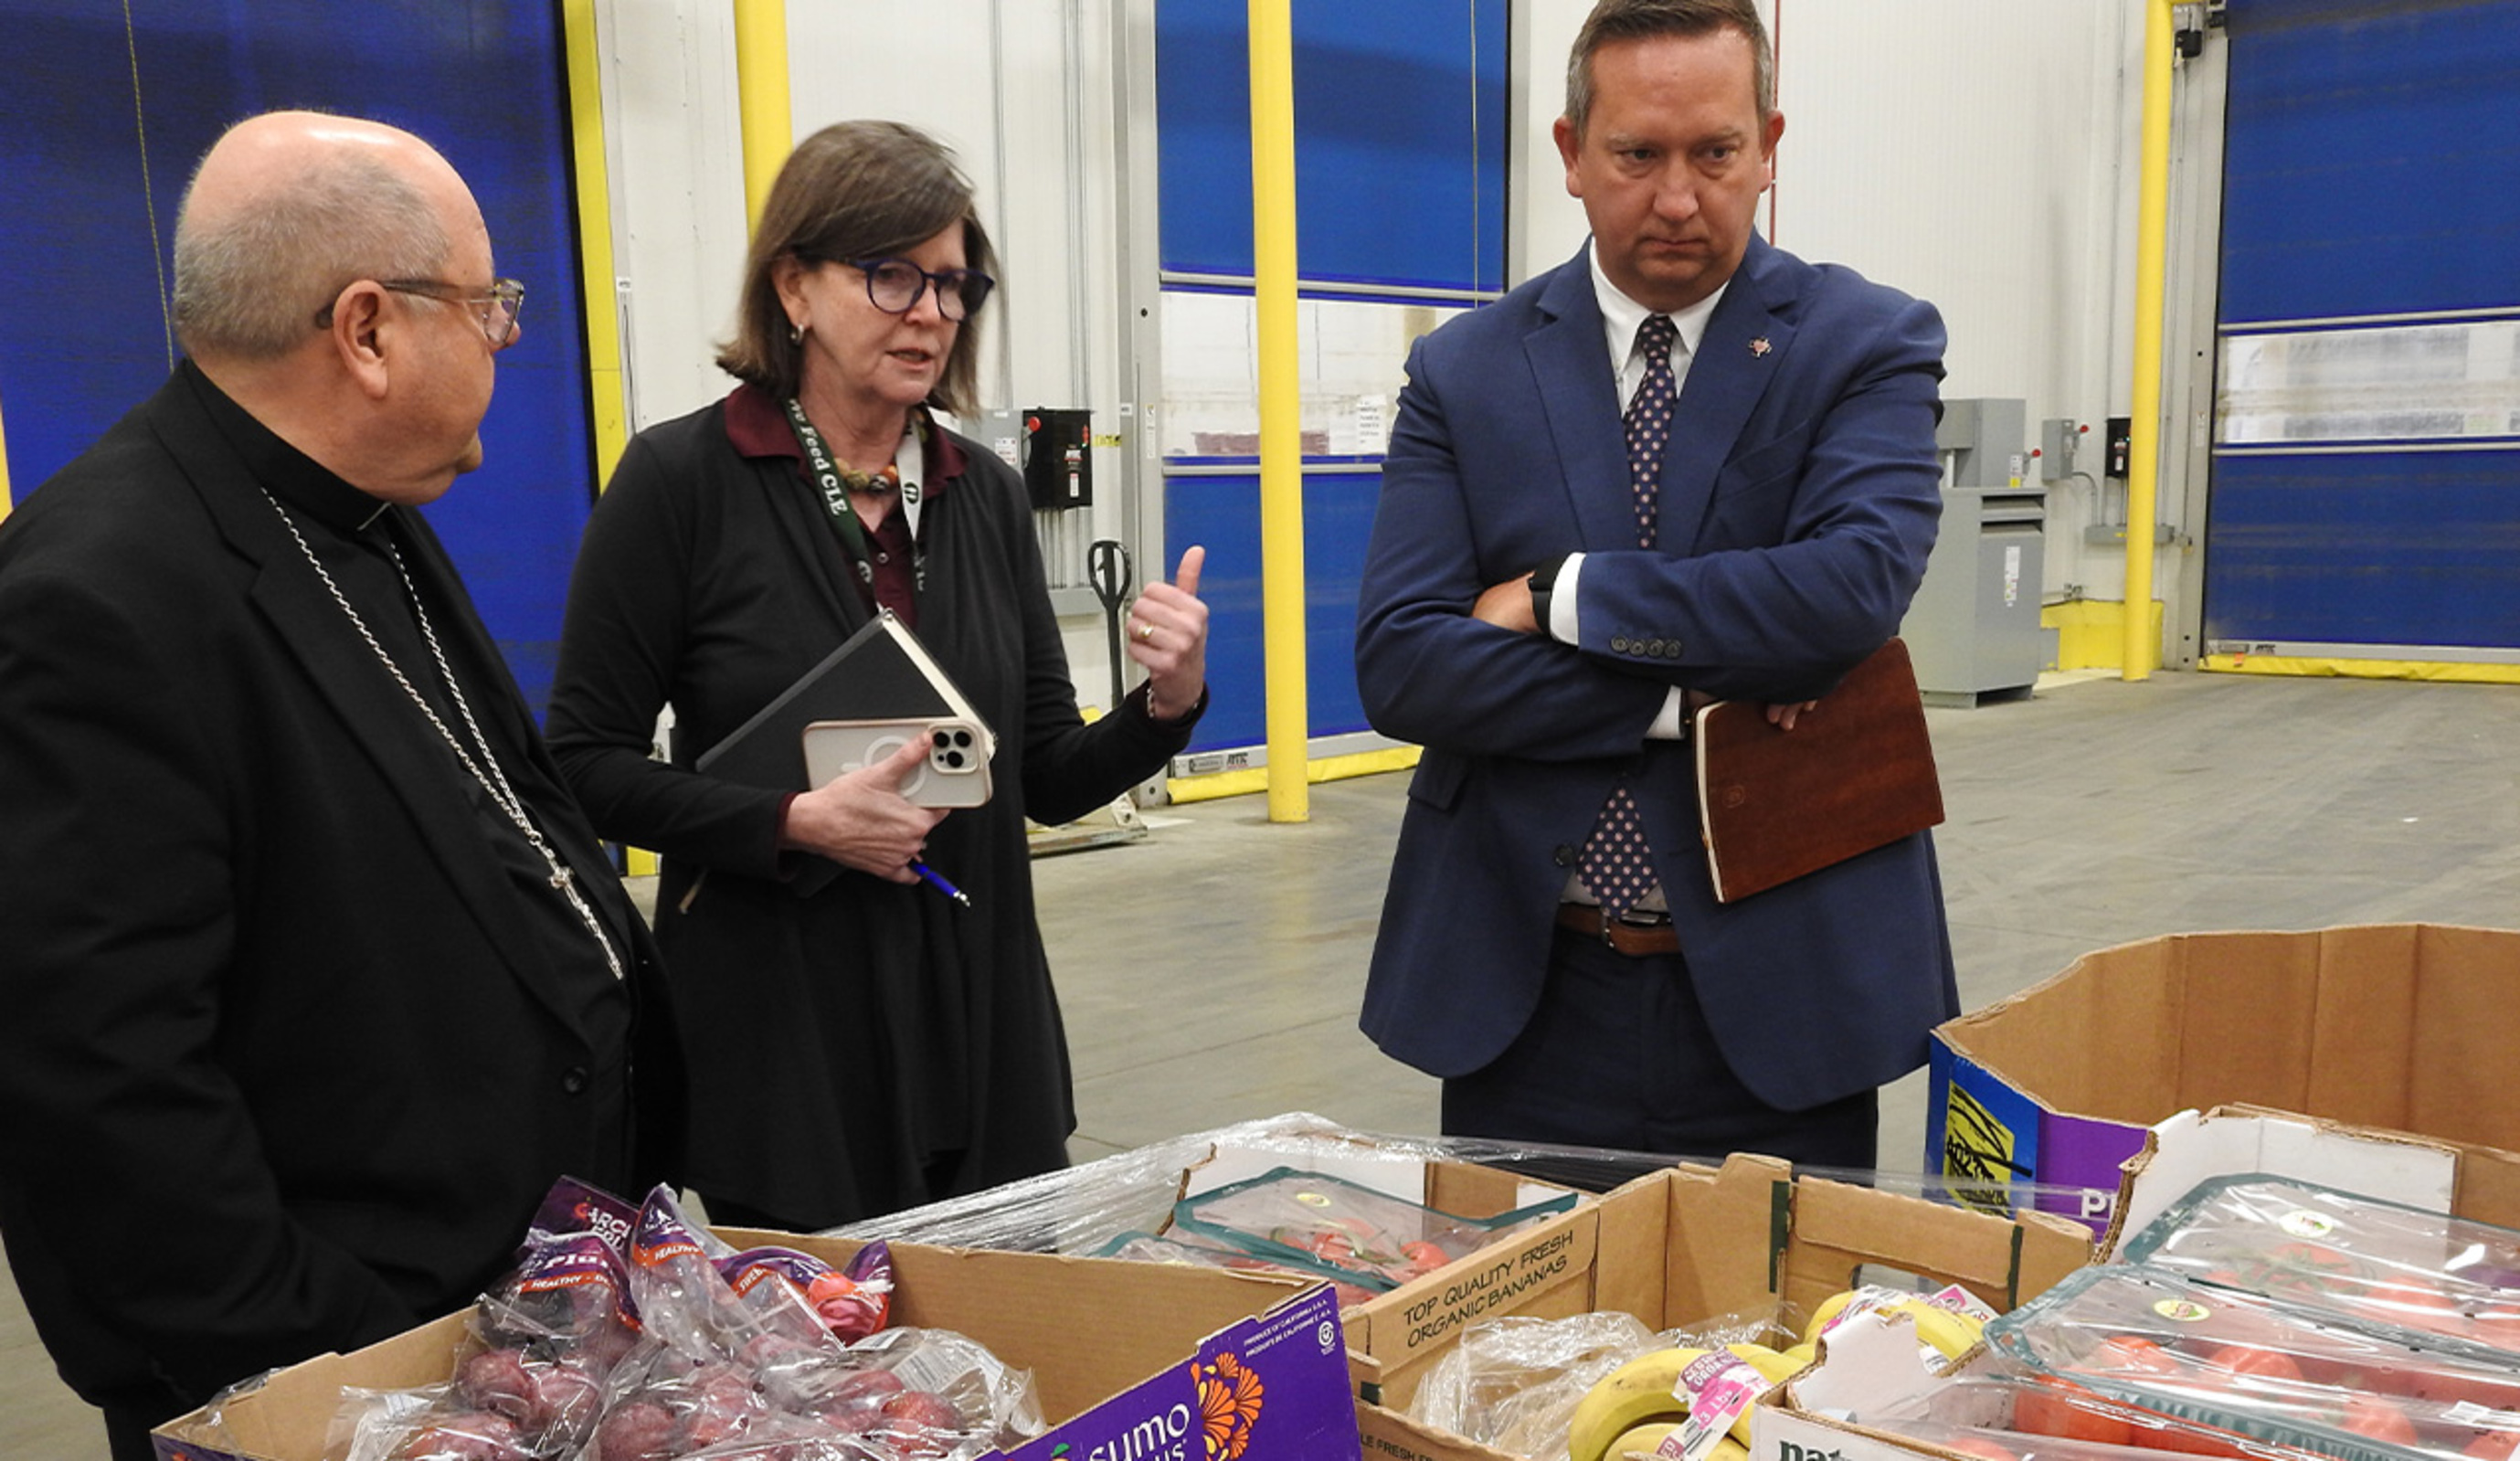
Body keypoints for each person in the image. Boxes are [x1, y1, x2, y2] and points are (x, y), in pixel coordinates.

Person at [0, 111, 683, 1460]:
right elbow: (103, 1102)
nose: (507, 335)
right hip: (350, 1384)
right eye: (488, 303)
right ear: (367, 329)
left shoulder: (358, 509)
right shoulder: (92, 600)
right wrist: (368, 1376)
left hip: (518, 1332)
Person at [545, 120, 1210, 1233]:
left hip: (980, 1020)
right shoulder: (682, 481)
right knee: (826, 1339)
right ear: (792, 287)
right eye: (891, 276)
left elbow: (1045, 774)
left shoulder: (982, 494)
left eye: (952, 285)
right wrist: (790, 823)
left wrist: (1166, 701)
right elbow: (578, 765)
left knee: (1002, 1324)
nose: (929, 312)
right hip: (788, 1038)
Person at [1352, 0, 1957, 1172]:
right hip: (1527, 993)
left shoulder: (1863, 343)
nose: (1678, 199)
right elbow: (1405, 666)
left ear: (1768, 145)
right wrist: (1698, 697)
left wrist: (1558, 596)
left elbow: (1846, 596)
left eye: (1714, 152)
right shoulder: (1464, 371)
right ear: (1571, 153)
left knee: (1775, 1298)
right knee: (1531, 1299)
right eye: (1636, 155)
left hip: (1786, 991)